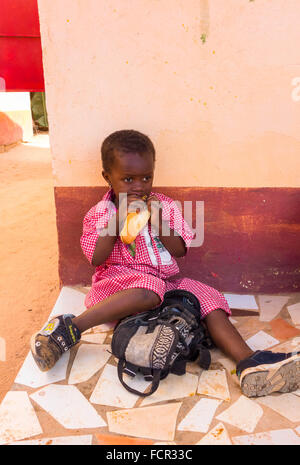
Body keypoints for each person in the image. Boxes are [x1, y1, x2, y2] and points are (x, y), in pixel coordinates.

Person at [30, 129, 300, 398]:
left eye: (146, 177)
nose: (139, 186)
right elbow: (96, 257)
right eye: (128, 179)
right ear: (107, 178)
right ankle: (68, 329)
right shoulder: (101, 213)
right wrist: (117, 221)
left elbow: (180, 250)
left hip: (166, 283)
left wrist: (158, 221)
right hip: (119, 284)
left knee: (207, 296)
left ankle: (248, 363)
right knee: (149, 288)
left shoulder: (165, 206)